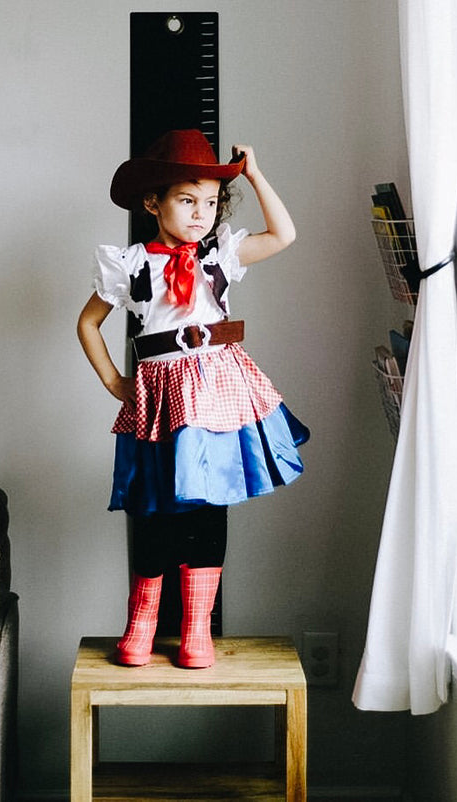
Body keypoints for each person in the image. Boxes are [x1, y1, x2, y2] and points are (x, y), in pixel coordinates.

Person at [78, 129, 309, 669]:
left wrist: (253, 174)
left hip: (216, 390)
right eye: (187, 200)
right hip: (159, 395)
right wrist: (116, 381)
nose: (202, 213)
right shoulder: (131, 264)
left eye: (210, 202)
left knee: (209, 506)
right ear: (153, 202)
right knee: (154, 507)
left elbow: (285, 234)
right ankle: (141, 624)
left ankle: (197, 629)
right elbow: (89, 324)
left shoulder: (220, 256)